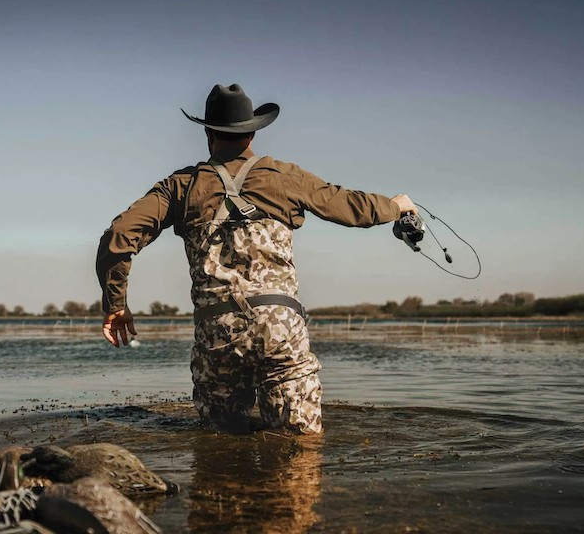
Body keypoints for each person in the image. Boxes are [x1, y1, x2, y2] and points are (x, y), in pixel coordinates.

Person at [96, 84, 416, 434]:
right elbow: (352, 208)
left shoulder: (181, 186)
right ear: (251, 132)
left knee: (218, 444)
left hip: (217, 334)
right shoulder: (284, 176)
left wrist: (116, 305)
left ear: (208, 133)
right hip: (280, 328)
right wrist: (396, 205)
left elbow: (117, 238)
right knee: (301, 446)